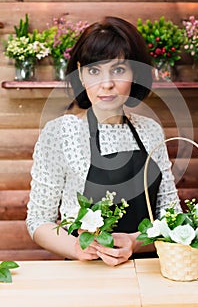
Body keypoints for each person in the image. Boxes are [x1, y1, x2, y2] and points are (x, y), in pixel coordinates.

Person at [26, 16, 181, 266]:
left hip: (147, 270)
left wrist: (134, 242)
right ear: (81, 74)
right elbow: (38, 221)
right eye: (94, 71)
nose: (106, 84)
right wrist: (76, 247)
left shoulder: (150, 131)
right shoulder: (59, 134)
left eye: (118, 70)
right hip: (84, 275)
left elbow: (174, 219)